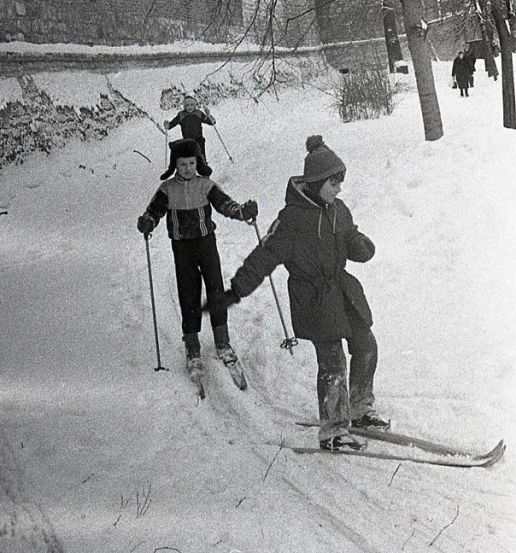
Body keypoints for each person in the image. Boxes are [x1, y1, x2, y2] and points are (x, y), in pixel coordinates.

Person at [206, 135, 387, 452]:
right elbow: (263, 258)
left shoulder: (338, 209)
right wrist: (235, 291)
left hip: (341, 289)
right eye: (334, 183)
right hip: (313, 298)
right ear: (317, 183)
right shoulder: (290, 220)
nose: (339, 189)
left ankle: (359, 409)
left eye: (340, 182)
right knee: (332, 363)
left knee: (366, 343)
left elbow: (349, 234)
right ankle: (332, 430)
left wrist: (359, 246)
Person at [137, 138, 257, 373]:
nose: (188, 169)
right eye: (182, 164)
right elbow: (154, 211)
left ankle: (222, 340)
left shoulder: (205, 185)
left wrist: (242, 212)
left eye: (192, 163)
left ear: (197, 162)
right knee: (188, 291)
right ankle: (192, 345)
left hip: (206, 243)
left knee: (215, 288)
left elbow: (225, 204)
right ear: (175, 165)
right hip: (182, 247)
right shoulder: (167, 189)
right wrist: (148, 222)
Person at [164, 94, 216, 163]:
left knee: (201, 154)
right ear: (184, 106)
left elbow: (212, 122)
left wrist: (209, 115)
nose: (189, 107)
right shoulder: (181, 115)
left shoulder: (199, 113)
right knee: (190, 155)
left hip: (199, 139)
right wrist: (168, 125)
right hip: (187, 140)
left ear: (195, 105)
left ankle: (204, 166)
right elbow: (171, 125)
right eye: (187, 105)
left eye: (191, 105)